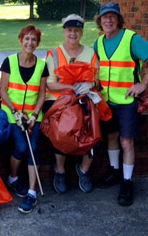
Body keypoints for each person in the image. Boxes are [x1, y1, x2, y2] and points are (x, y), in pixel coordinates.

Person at [94, 2, 148, 206]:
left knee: (126, 142)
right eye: (104, 17)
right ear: (100, 21)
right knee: (112, 138)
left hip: (126, 101)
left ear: (118, 19)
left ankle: (127, 182)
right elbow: (98, 67)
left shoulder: (130, 38)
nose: (108, 20)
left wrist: (144, 83)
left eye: (112, 16)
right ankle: (115, 172)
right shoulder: (98, 42)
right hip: (106, 102)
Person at [44, 14, 99, 194]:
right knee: (62, 130)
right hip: (59, 101)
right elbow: (50, 83)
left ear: (82, 32)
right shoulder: (55, 53)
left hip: (85, 99)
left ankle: (84, 170)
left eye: (76, 30)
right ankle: (59, 170)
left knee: (94, 130)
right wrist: (74, 87)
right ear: (64, 32)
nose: (73, 34)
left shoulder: (90, 53)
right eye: (69, 30)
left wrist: (90, 84)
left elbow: (97, 81)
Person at [0, 25, 48, 213]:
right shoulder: (9, 62)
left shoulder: (42, 65)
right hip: (13, 116)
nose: (30, 42)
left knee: (33, 147)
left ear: (38, 43)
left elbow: (42, 95)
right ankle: (13, 178)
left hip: (33, 117)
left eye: (34, 39)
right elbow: (3, 91)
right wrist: (15, 112)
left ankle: (32, 192)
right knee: (20, 146)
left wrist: (35, 115)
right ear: (20, 40)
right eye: (26, 38)